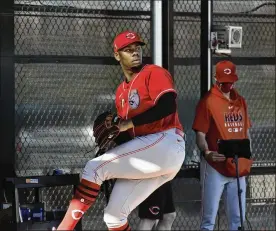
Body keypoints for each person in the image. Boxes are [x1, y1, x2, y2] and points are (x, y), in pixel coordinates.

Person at [53, 30, 186, 231]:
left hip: (166, 141)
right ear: (117, 56)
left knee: (94, 168)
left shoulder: (153, 73)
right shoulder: (120, 92)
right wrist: (114, 134)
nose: (135, 53)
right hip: (150, 155)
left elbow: (168, 106)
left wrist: (127, 123)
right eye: (128, 50)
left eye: (137, 48)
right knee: (114, 216)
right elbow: (129, 136)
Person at [192, 60, 252, 230]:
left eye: (231, 81)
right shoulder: (208, 101)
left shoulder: (240, 101)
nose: (228, 85)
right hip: (215, 166)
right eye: (224, 81)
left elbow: (246, 132)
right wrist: (206, 152)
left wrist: (248, 156)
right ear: (216, 79)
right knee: (208, 220)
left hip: (237, 166)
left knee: (238, 220)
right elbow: (200, 134)